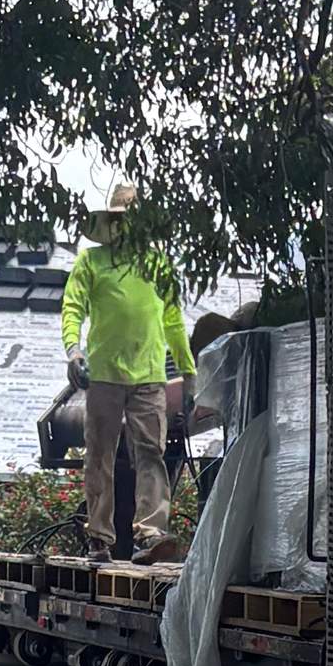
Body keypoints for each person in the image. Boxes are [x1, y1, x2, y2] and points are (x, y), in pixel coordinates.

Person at [60, 187, 192, 556]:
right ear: (113, 222)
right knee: (99, 454)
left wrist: (187, 370)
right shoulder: (92, 261)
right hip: (103, 375)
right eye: (122, 220)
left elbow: (173, 320)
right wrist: (73, 350)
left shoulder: (157, 264)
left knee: (151, 452)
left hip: (149, 375)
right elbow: (73, 306)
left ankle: (150, 533)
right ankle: (99, 536)